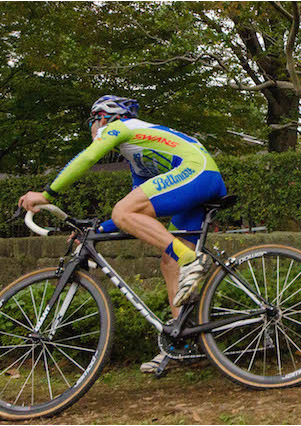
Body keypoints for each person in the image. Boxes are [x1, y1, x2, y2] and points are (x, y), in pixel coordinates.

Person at [18, 95, 226, 372]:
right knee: (168, 261)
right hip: (201, 177)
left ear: (101, 118)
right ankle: (181, 344)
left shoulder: (118, 127)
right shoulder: (138, 156)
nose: (92, 129)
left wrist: (46, 194)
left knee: (159, 239)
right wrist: (98, 229)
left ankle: (191, 260)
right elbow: (136, 209)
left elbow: (90, 157)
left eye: (92, 122)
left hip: (196, 172)